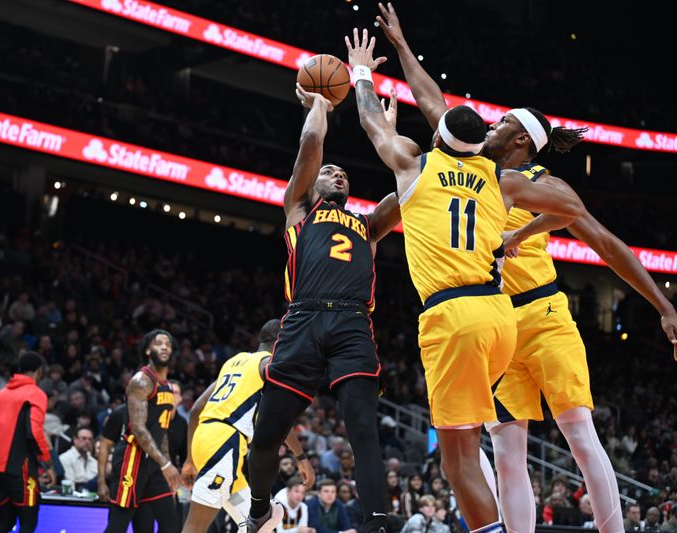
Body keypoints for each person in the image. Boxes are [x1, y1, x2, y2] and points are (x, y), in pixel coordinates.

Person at [370, 5, 677, 532]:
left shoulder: (540, 183)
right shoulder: (472, 166)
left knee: (579, 434)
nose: (491, 124)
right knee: (507, 449)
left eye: (503, 122)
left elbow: (603, 240)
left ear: (519, 141)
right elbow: (431, 101)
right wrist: (400, 46)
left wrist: (665, 306)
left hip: (545, 316)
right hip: (496, 322)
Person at [347, 27, 585, 533]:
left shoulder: (415, 165)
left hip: (453, 317)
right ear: (478, 144)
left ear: (438, 138)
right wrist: (515, 236)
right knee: (491, 445)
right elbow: (570, 207)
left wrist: (361, 71)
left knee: (458, 459)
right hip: (501, 316)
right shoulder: (499, 179)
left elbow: (370, 120)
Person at [246, 67, 404, 533]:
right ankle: (258, 508)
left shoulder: (368, 226)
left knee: (364, 433)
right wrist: (319, 103)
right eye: (329, 172)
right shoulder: (298, 210)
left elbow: (410, 188)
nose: (336, 174)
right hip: (302, 321)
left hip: (354, 325)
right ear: (314, 184)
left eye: (343, 174)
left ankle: (376, 524)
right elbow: (310, 150)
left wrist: (391, 140)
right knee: (266, 437)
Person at [181, 320, 313, 533]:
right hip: (223, 444)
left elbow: (196, 409)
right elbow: (279, 421)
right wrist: (301, 458)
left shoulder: (235, 361)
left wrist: (189, 459)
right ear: (281, 342)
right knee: (195, 526)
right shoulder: (268, 367)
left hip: (206, 439)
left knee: (258, 526)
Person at [103, 329, 181, 533]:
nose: (164, 346)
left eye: (168, 344)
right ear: (147, 351)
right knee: (117, 526)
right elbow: (138, 429)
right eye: (158, 343)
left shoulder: (168, 387)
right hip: (132, 460)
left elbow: (162, 431)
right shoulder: (142, 381)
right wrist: (165, 464)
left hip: (153, 464)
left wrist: (168, 464)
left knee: (171, 524)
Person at [0, 351, 54, 533]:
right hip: (17, 468)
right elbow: (36, 431)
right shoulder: (36, 394)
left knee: (5, 522)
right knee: (28, 523)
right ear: (38, 371)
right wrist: (48, 462)